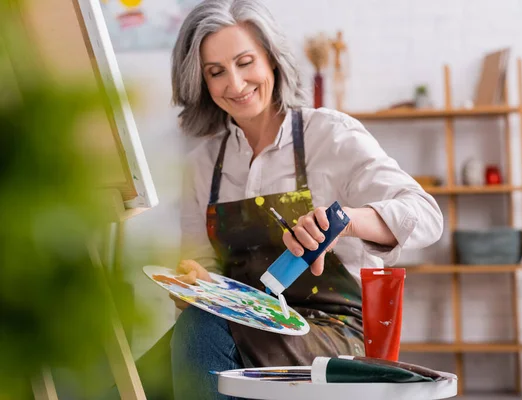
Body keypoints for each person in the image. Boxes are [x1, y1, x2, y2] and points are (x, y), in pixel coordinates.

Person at [164, 0, 444, 398]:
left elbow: (427, 215)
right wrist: (195, 283)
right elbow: (203, 267)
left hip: (334, 332)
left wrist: (346, 219)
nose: (236, 83)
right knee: (123, 382)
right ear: (201, 82)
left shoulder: (329, 135)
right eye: (216, 72)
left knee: (199, 330)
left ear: (272, 61)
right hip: (239, 324)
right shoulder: (201, 165)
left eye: (246, 62)